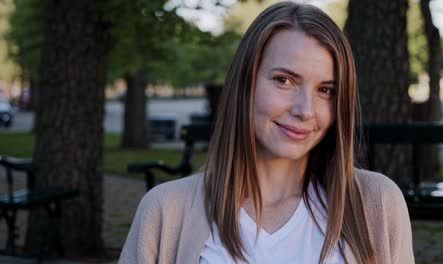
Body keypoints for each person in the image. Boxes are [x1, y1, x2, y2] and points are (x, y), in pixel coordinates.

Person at [119, 2, 414, 263]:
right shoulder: (166, 210)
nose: (305, 110)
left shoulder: (377, 202)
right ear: (245, 83)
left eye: (326, 90)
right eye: (284, 80)